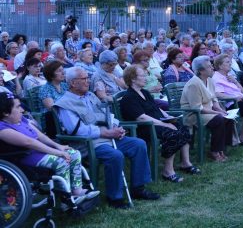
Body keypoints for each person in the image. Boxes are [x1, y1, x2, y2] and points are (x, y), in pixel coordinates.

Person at [55, 67, 159, 209]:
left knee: (138, 144)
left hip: (108, 137)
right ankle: (115, 197)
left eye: (87, 78)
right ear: (73, 83)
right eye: (84, 79)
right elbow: (78, 130)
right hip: (89, 143)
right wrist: (105, 133)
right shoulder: (65, 104)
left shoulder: (90, 96)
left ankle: (138, 188)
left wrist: (116, 127)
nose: (88, 81)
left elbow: (107, 114)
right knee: (114, 155)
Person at [0, 92, 99, 203]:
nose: (22, 110)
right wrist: (57, 152)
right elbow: (29, 142)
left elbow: (40, 135)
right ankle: (66, 199)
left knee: (74, 153)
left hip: (41, 150)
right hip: (26, 156)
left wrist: (59, 146)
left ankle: (77, 191)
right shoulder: (3, 129)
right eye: (18, 107)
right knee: (61, 161)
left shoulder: (21, 119)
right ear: (5, 112)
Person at [120, 65, 198, 183]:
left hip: (157, 122)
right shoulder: (129, 97)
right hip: (144, 127)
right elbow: (141, 117)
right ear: (133, 79)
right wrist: (165, 124)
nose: (146, 77)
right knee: (172, 133)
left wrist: (168, 117)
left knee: (183, 128)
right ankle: (168, 171)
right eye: (142, 75)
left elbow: (156, 108)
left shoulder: (144, 92)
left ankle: (185, 163)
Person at [180, 56, 234, 162]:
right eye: (209, 67)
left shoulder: (209, 80)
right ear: (201, 71)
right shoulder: (193, 84)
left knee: (228, 118)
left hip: (208, 113)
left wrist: (220, 110)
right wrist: (216, 113)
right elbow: (197, 108)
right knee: (219, 119)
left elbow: (214, 99)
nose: (212, 68)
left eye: (211, 66)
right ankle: (214, 151)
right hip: (193, 115)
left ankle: (222, 148)